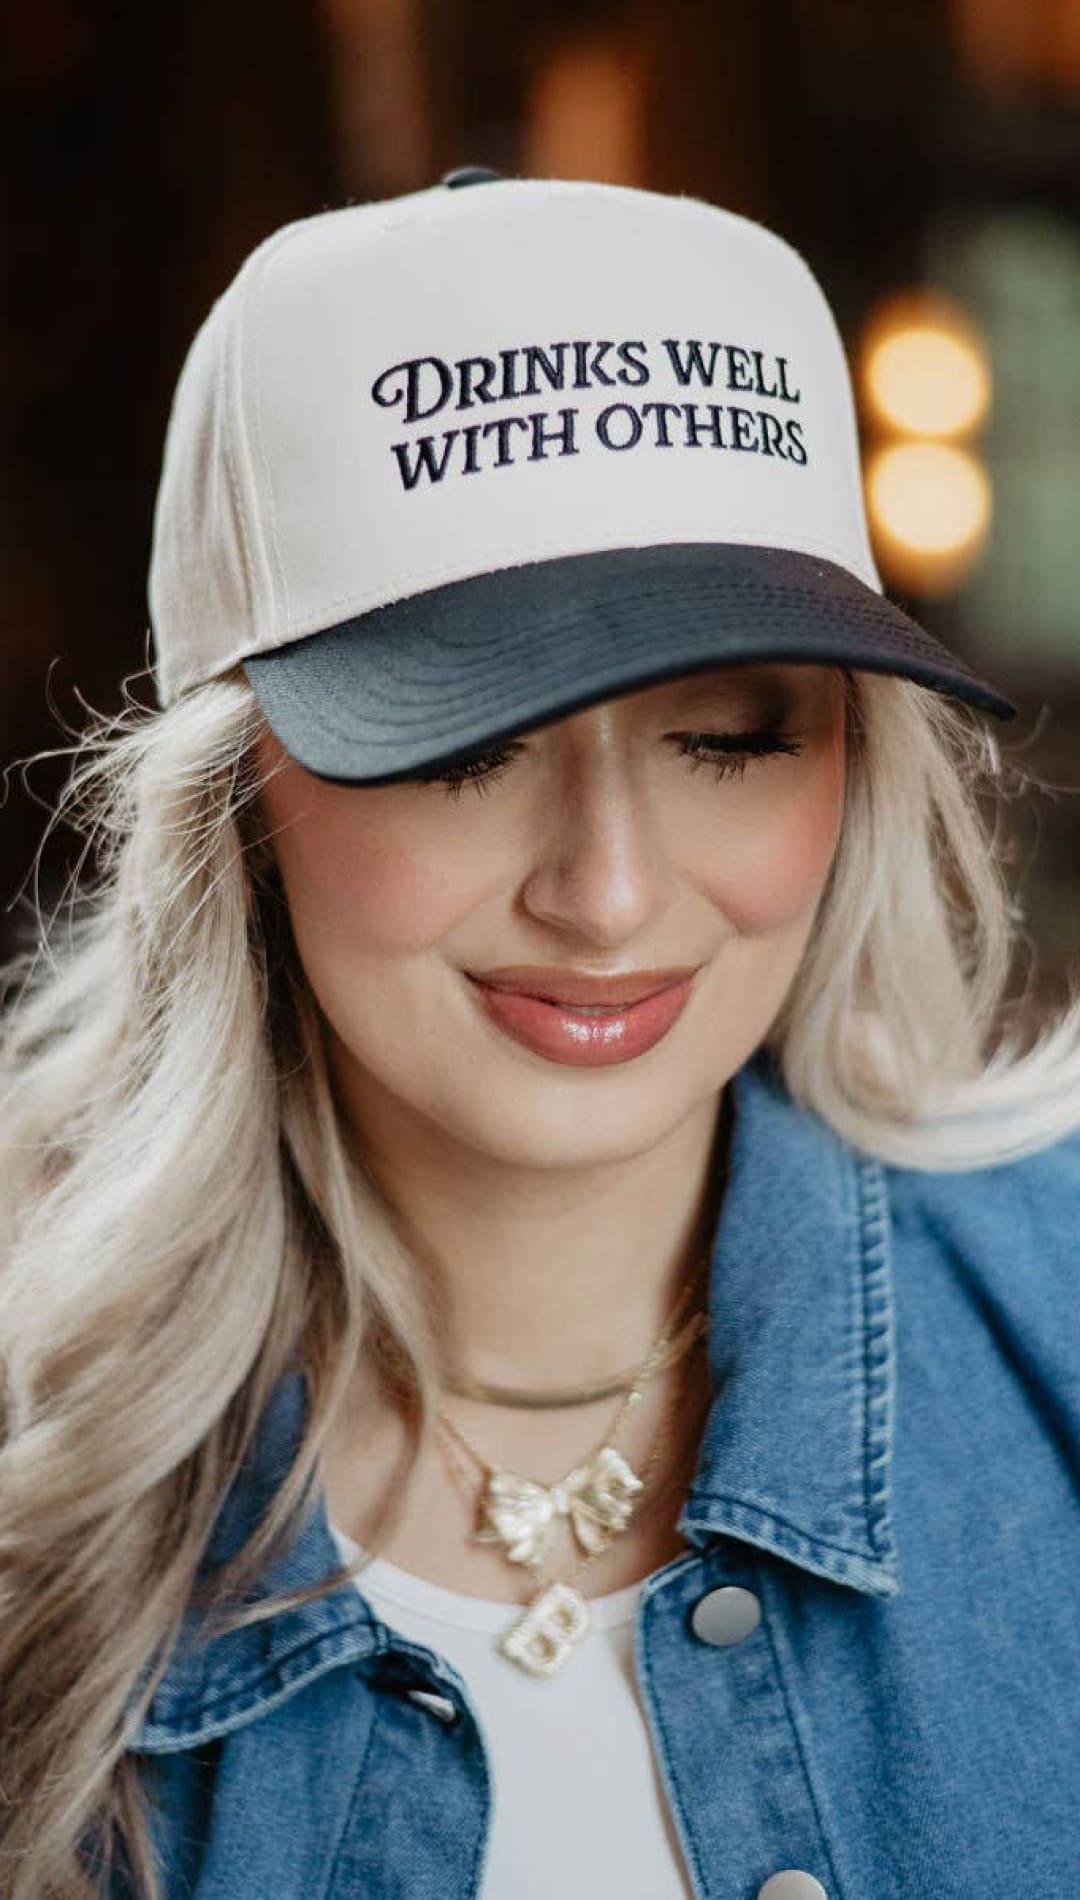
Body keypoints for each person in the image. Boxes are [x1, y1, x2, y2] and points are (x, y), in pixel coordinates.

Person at [1, 169, 1079, 1900]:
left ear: (860, 766)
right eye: (461, 745)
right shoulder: (35, 1475)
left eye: (729, 735)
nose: (611, 893)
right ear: (238, 805)